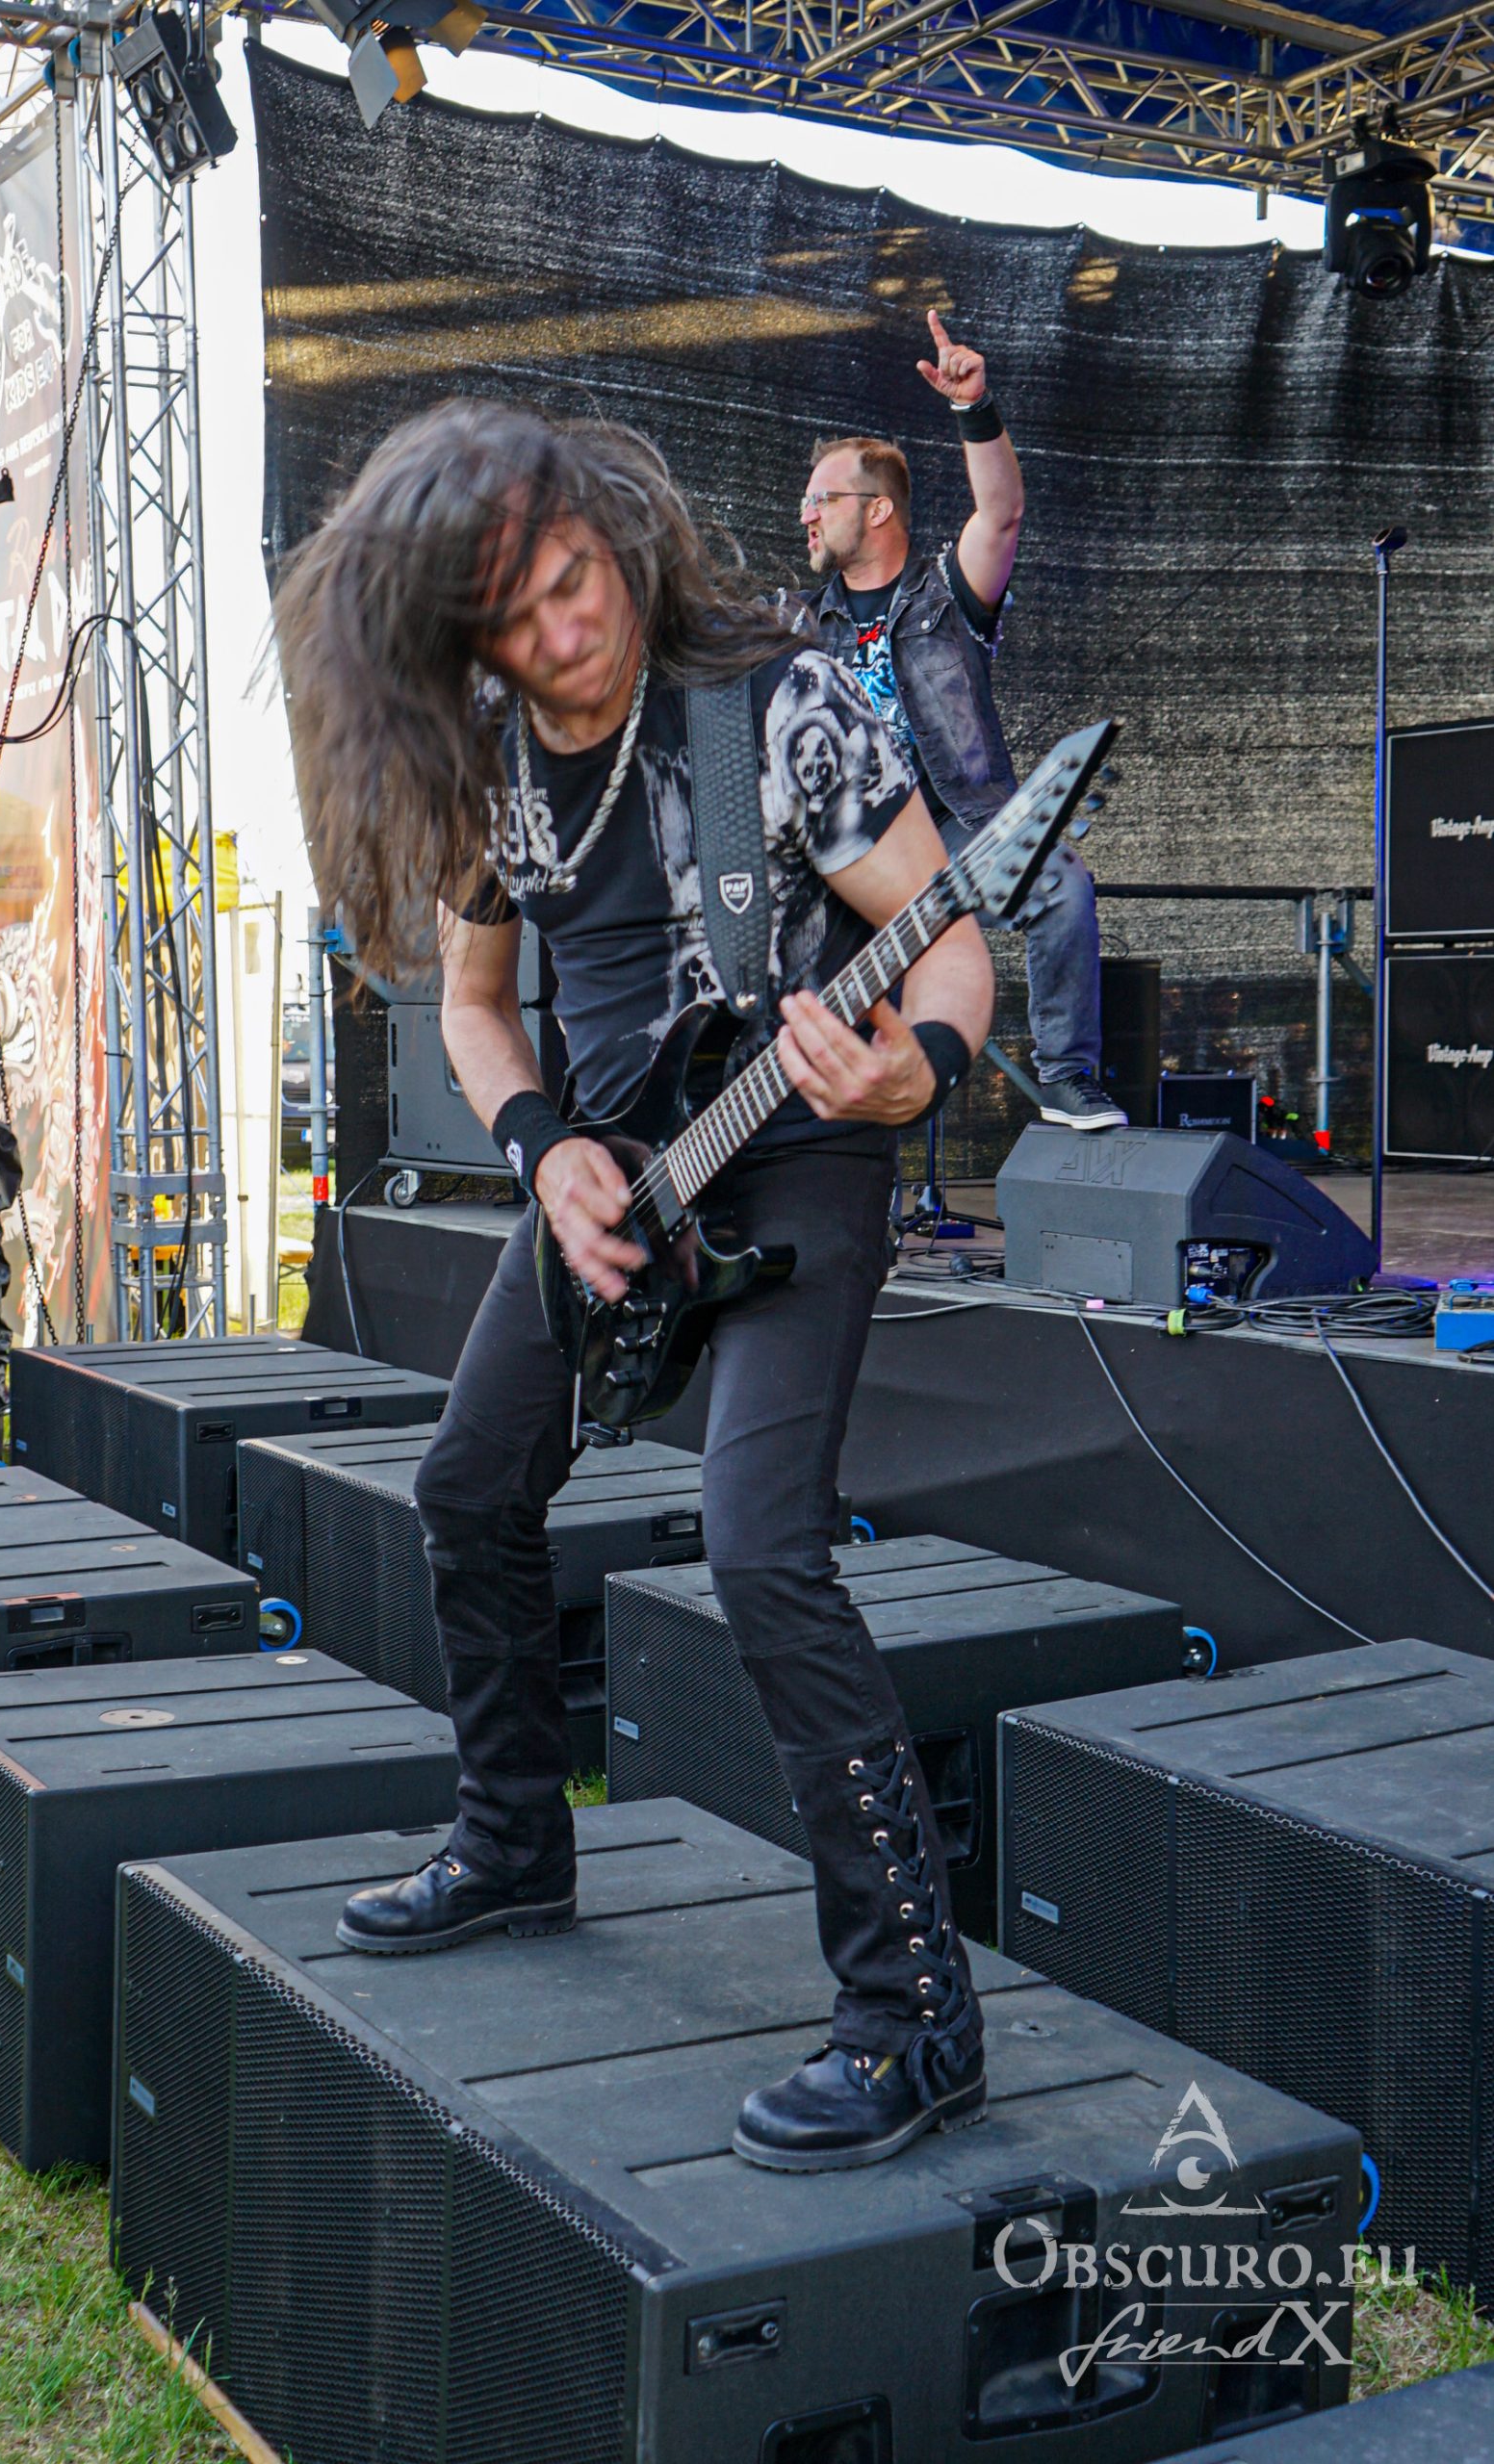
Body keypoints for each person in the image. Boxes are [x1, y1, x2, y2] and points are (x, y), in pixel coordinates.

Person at [273, 398, 994, 2172]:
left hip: (798, 1156)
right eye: (516, 617)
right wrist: (542, 1150)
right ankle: (514, 1841)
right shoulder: (487, 762)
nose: (567, 628)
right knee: (466, 1487)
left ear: (614, 532)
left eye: (575, 578)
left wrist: (911, 1077)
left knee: (760, 1549)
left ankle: (912, 2015)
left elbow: (952, 940)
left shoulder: (776, 704)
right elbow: (471, 1008)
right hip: (614, 1184)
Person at [803, 313, 1124, 1130]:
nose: (805, 514)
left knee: (1060, 884)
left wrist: (971, 408)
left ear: (877, 510)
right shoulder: (800, 625)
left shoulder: (945, 594)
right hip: (856, 841)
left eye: (821, 499)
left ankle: (1065, 1078)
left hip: (956, 825)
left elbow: (1001, 515)